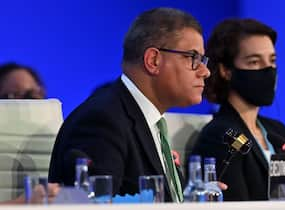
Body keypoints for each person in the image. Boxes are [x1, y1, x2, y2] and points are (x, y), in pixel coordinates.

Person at [48, 7, 225, 203]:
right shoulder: (102, 121)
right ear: (153, 60)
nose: (205, 71)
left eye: (203, 60)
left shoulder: (151, 122)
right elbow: (95, 205)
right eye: (193, 58)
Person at [191, 18, 285, 201]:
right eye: (254, 62)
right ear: (226, 70)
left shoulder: (279, 134)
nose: (268, 70)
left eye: (272, 61)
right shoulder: (221, 135)